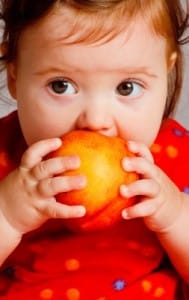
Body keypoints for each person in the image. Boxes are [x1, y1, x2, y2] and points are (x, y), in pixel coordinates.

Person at [0, 0, 189, 298]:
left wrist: (177, 217)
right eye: (61, 86)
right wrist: (6, 216)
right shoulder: (4, 155)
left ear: (166, 73)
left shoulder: (177, 156)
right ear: (14, 76)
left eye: (127, 87)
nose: (95, 121)